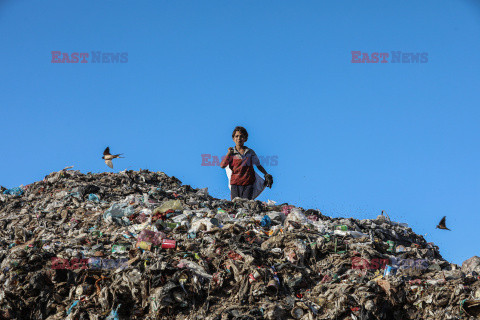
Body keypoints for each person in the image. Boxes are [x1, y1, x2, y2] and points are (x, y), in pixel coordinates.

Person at [220, 126, 273, 200]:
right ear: (233, 139)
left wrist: (266, 174)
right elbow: (222, 165)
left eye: (241, 136)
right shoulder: (231, 153)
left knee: (246, 204)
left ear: (245, 139)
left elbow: (258, 165)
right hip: (235, 184)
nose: (239, 138)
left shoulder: (250, 152)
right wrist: (228, 153)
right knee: (236, 205)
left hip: (248, 184)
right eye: (236, 136)